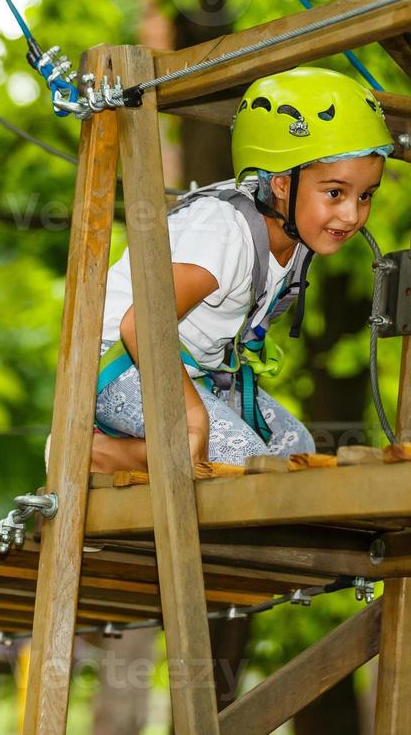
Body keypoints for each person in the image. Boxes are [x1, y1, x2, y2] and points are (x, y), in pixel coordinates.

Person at [84, 66, 393, 473]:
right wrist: (193, 417)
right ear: (281, 184)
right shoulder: (225, 231)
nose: (352, 215)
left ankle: (154, 450)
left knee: (295, 448)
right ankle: (102, 454)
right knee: (244, 459)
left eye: (366, 195)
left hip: (189, 370)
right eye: (335, 193)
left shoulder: (296, 238)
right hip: (121, 365)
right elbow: (141, 324)